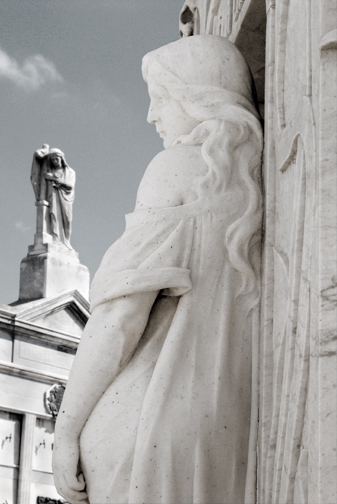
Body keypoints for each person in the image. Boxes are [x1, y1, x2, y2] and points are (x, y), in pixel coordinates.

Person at [53, 35, 263, 504]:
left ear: (199, 98)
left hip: (148, 426)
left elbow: (119, 318)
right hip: (228, 433)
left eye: (161, 99)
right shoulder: (257, 188)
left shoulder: (178, 169)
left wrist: (65, 431)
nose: (151, 116)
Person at [31, 147, 75, 248]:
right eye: (53, 160)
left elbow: (70, 185)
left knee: (67, 220)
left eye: (57, 159)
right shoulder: (48, 171)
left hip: (65, 198)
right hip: (53, 197)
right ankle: (55, 239)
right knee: (53, 216)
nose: (55, 161)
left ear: (61, 159)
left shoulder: (70, 172)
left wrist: (52, 178)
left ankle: (66, 242)